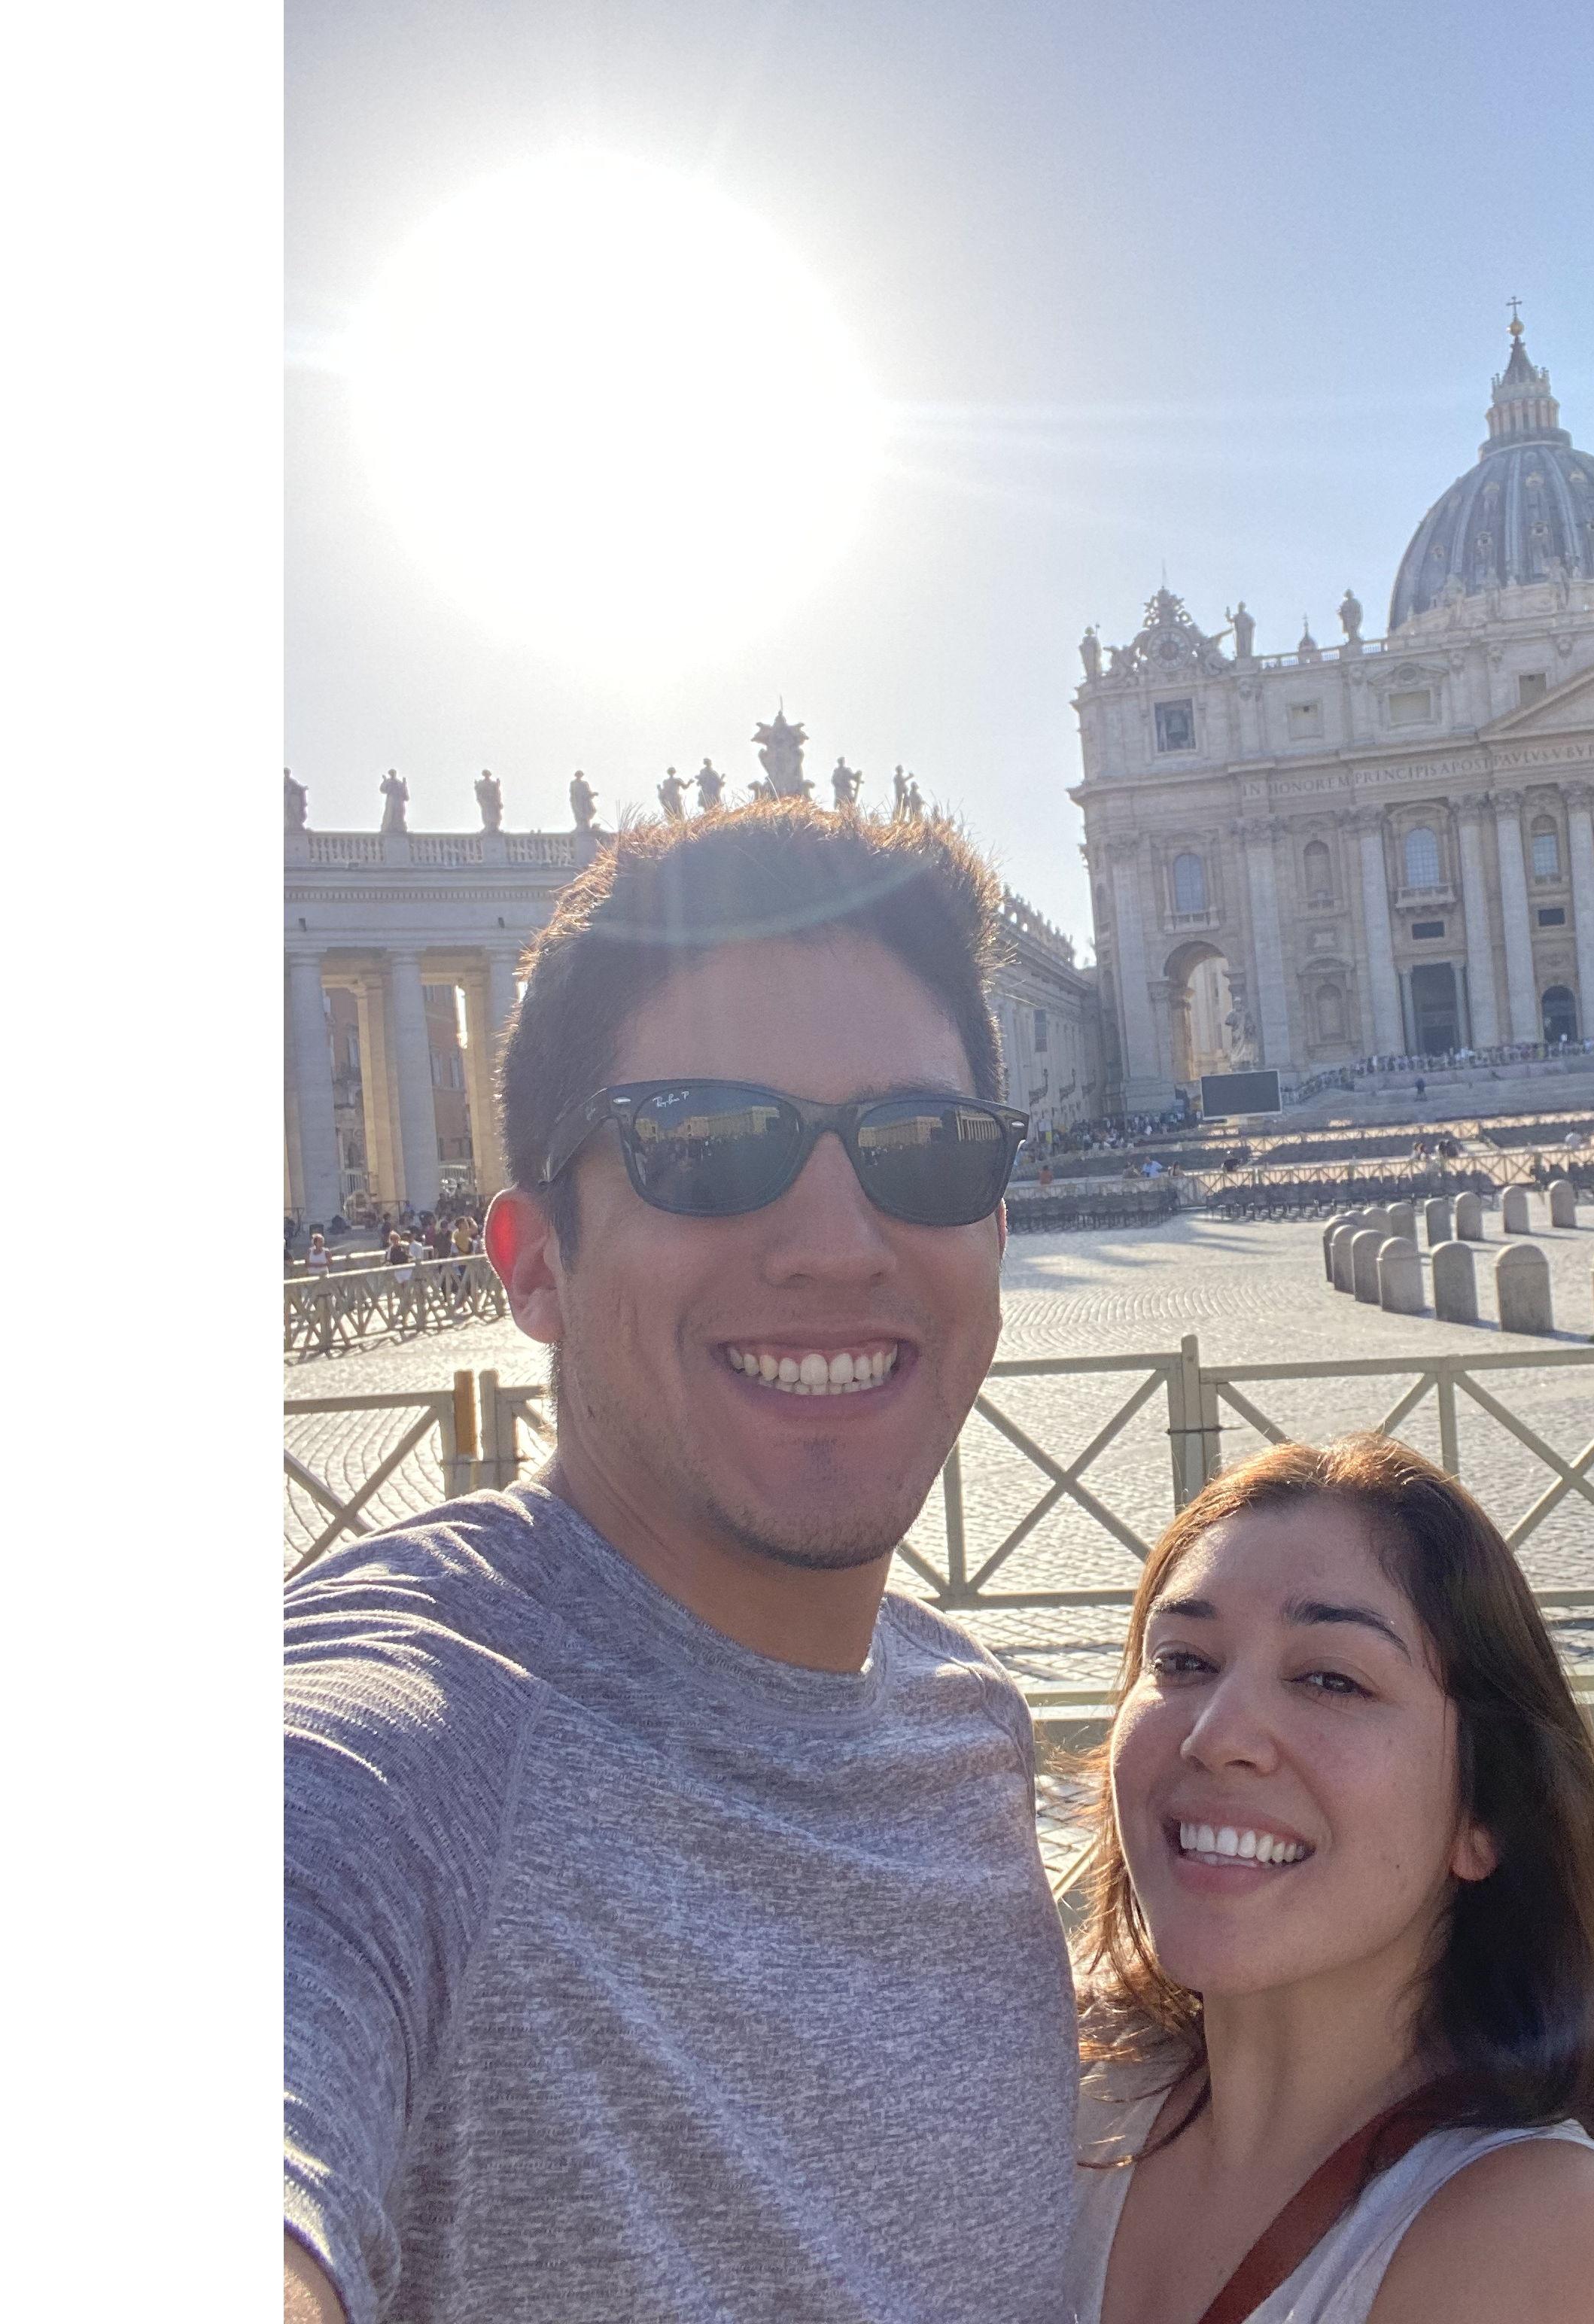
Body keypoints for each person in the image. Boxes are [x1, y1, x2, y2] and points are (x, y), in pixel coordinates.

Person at [285, 802, 1077, 2324]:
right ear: (529, 1263)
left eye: (922, 1148)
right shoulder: (403, 1752)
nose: (837, 1242)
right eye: (709, 1147)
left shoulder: (965, 1719)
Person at [1067, 1437, 1594, 2323]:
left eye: (1331, 1678)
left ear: (1483, 1814)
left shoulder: (1558, 2257)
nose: (1216, 1735)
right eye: (1182, 1660)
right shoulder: (1053, 2072)